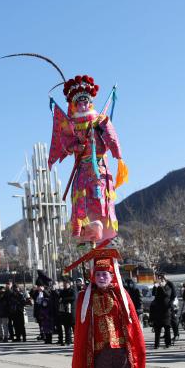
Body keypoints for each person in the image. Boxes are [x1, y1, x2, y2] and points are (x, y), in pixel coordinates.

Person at [72, 250, 145, 368]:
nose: (102, 277)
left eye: (105, 274)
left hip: (121, 351)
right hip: (99, 352)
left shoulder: (121, 294)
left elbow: (132, 323)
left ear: (112, 275)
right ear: (93, 276)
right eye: (98, 274)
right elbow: (82, 327)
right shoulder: (84, 297)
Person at [48, 72, 127, 244]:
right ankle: (85, 234)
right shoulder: (71, 125)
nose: (83, 105)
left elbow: (112, 138)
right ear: (75, 105)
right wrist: (77, 146)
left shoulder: (100, 120)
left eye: (85, 102)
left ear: (90, 102)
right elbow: (65, 143)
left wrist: (118, 155)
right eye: (79, 103)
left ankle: (103, 233)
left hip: (100, 169)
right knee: (81, 200)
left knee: (101, 199)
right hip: (82, 171)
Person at [150, 275, 173, 349]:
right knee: (157, 329)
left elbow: (166, 294)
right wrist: (155, 286)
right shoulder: (157, 288)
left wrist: (161, 287)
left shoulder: (168, 288)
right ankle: (156, 344)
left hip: (166, 311)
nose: (161, 282)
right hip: (158, 311)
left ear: (165, 282)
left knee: (167, 328)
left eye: (162, 281)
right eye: (160, 281)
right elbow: (153, 293)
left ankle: (168, 343)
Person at [56, 281, 75, 346]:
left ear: (69, 284)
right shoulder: (62, 291)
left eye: (66, 284)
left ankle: (77, 340)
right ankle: (68, 341)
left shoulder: (72, 290)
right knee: (67, 327)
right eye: (64, 284)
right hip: (64, 311)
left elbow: (73, 298)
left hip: (71, 312)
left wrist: (63, 299)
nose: (65, 285)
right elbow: (59, 297)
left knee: (74, 328)